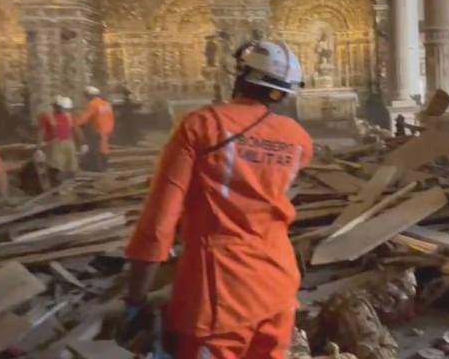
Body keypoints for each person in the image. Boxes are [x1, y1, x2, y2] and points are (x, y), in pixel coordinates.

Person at [120, 40, 312, 359]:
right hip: (278, 286)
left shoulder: (201, 126)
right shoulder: (298, 140)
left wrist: (136, 298)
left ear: (239, 75)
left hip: (220, 292)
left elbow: (158, 223)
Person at [39, 96, 85, 180]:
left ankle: (68, 187)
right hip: (55, 144)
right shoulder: (47, 116)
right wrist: (39, 148)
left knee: (72, 168)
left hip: (69, 143)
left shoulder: (69, 116)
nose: (60, 108)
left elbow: (76, 129)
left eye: (61, 106)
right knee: (57, 168)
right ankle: (58, 188)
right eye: (57, 106)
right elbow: (41, 131)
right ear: (54, 106)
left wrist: (83, 144)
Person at [76, 86, 114, 172]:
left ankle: (97, 168)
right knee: (104, 148)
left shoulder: (93, 104)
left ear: (90, 96)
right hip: (107, 131)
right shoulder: (107, 104)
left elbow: (84, 119)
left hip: (97, 131)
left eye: (86, 96)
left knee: (95, 149)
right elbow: (111, 118)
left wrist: (76, 122)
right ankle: (105, 167)